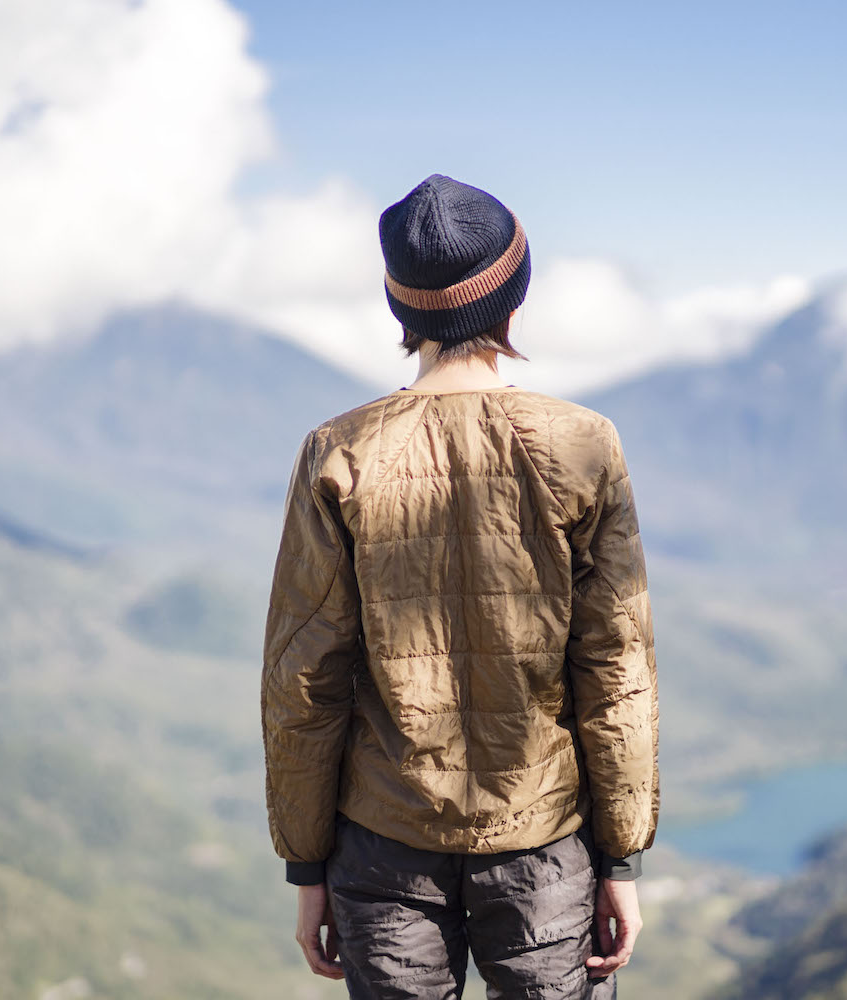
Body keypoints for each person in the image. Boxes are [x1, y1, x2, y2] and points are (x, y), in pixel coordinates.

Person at [261, 173, 659, 999]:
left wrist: (308, 867)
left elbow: (306, 678)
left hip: (380, 846)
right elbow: (615, 670)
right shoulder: (583, 446)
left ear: (402, 312)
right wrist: (620, 858)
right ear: (513, 301)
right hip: (546, 851)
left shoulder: (337, 453)